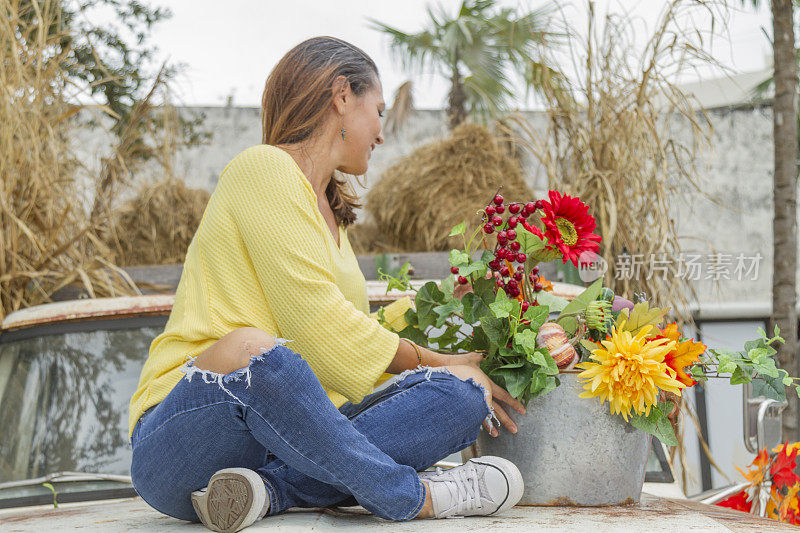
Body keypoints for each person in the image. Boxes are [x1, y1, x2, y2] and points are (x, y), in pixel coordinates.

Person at [128, 36, 526, 533]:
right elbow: (317, 328)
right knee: (256, 351)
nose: (382, 132)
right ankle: (412, 497)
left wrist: (445, 305)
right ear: (342, 96)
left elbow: (350, 331)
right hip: (186, 435)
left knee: (463, 395)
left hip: (291, 440)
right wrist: (437, 357)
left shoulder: (333, 219)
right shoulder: (264, 168)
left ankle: (266, 492)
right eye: (377, 110)